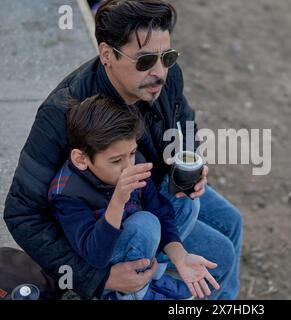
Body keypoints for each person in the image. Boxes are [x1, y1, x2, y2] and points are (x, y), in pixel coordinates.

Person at [4, 0, 242, 299]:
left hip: (154, 189)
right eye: (144, 61)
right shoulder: (61, 113)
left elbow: (185, 122)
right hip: (105, 219)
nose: (160, 72)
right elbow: (21, 213)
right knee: (222, 255)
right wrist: (96, 277)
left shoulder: (167, 76)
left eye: (167, 56)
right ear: (107, 54)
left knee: (232, 221)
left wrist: (192, 162)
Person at [48, 94, 219, 299]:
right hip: (106, 259)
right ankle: (132, 291)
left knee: (186, 204)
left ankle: (153, 275)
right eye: (116, 160)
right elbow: (95, 255)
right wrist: (118, 200)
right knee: (145, 223)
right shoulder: (68, 194)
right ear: (81, 159)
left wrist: (180, 256)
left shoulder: (132, 160)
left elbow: (159, 209)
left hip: (138, 242)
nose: (129, 166)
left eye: (132, 153)